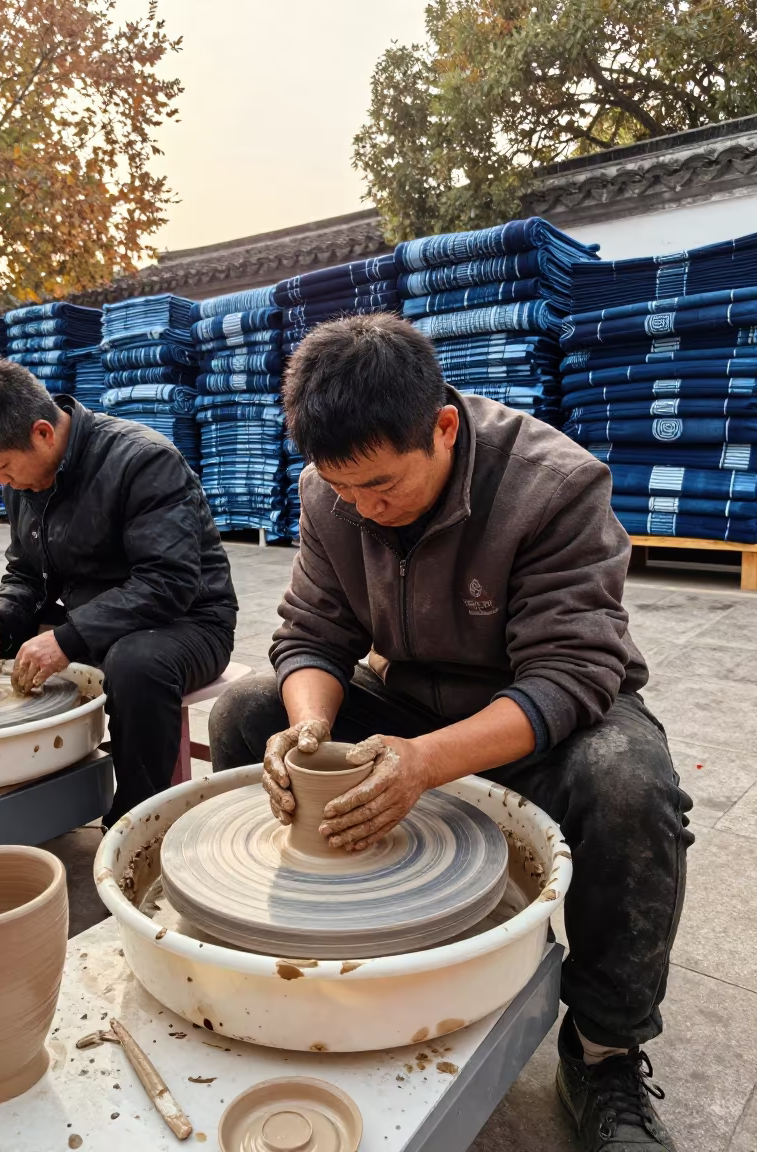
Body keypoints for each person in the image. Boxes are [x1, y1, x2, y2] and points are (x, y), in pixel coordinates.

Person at [210, 313, 691, 1152]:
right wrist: (313, 728)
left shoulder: (554, 484)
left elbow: (571, 674)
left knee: (630, 785)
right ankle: (288, 943)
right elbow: (313, 633)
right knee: (250, 710)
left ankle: (604, 1053)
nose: (363, 508)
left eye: (383, 488)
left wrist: (426, 764)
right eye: (343, 490)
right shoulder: (334, 490)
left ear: (440, 427)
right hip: (408, 697)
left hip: (539, 706)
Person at [0, 357, 237, 825]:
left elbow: (168, 582)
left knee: (134, 663)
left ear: (42, 432)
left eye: (0, 466)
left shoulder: (142, 460)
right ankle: (29, 792)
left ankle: (140, 820)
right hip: (95, 618)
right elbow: (25, 577)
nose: (0, 481)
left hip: (188, 620)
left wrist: (68, 639)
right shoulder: (23, 479)